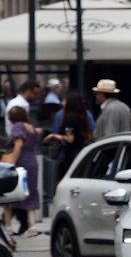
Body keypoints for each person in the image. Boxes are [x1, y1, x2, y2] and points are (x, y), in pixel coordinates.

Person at [3, 105, 40, 237]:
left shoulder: (18, 126)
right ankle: (32, 226)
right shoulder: (30, 127)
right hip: (32, 160)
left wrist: (12, 161)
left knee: (9, 194)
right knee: (30, 192)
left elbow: (18, 144)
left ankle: (8, 227)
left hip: (21, 161)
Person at [44, 90, 92, 182]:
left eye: (64, 101)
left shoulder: (69, 118)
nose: (62, 103)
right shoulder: (83, 116)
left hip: (70, 156)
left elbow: (70, 139)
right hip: (80, 154)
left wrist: (54, 136)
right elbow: (88, 136)